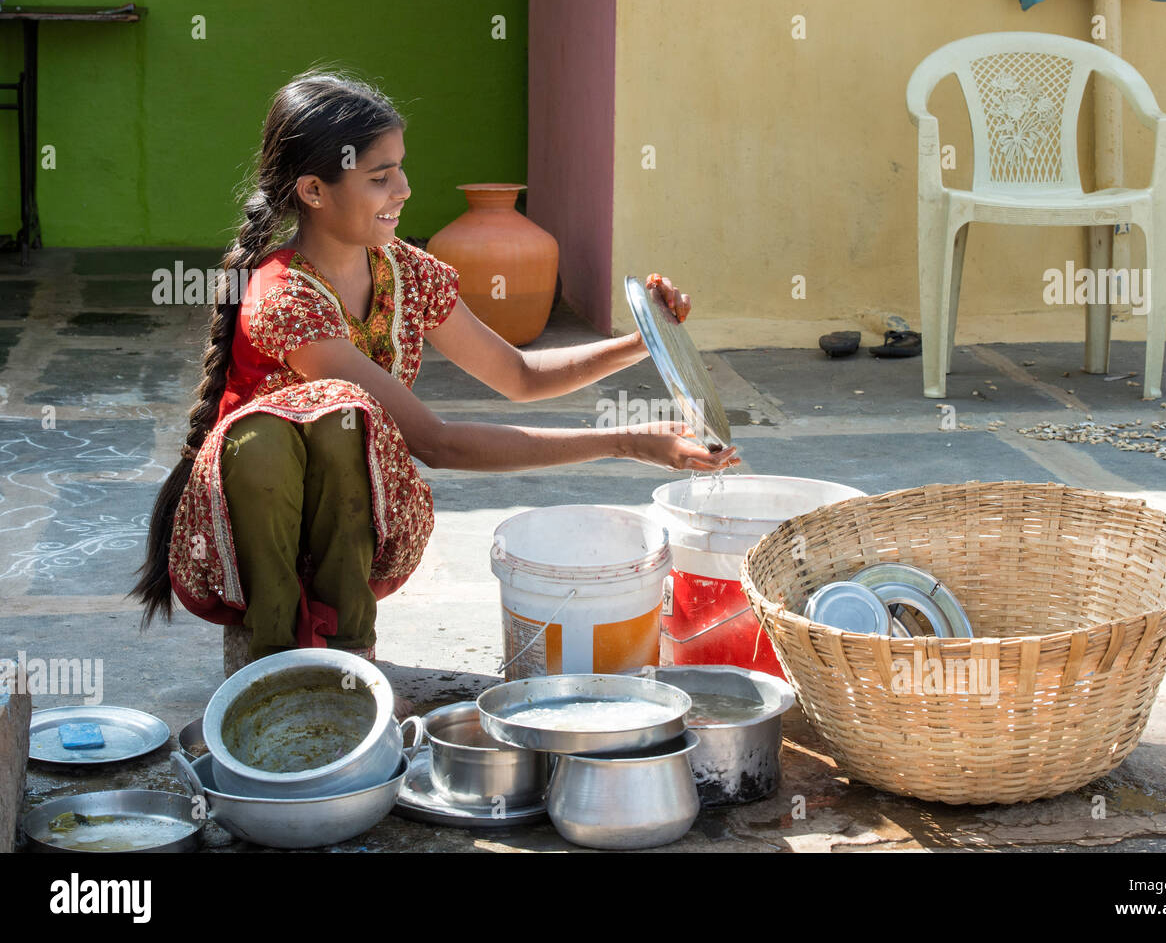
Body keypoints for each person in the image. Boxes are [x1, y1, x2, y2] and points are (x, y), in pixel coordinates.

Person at [129, 68, 738, 692]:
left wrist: (646, 340)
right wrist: (625, 441)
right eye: (379, 177)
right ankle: (270, 658)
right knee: (329, 419)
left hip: (347, 513)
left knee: (347, 427)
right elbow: (437, 443)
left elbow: (521, 374)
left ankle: (348, 657)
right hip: (254, 518)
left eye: (400, 168)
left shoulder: (407, 273)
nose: (404, 190)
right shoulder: (285, 297)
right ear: (313, 189)